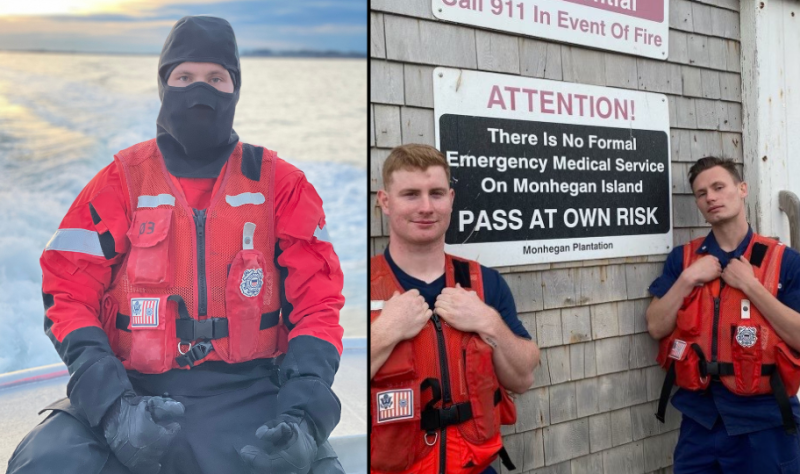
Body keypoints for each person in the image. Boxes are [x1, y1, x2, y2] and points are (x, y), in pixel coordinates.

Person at [7, 16, 345, 474]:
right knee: (45, 463)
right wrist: (112, 407)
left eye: (215, 78)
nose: (199, 91)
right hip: (132, 389)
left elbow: (318, 307)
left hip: (252, 391)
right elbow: (66, 293)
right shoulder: (121, 180)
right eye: (184, 77)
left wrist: (303, 419)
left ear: (235, 88)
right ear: (164, 85)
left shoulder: (282, 185)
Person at [369, 144, 540, 474]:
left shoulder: (484, 283)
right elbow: (332, 382)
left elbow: (523, 377)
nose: (426, 207)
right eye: (410, 194)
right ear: (385, 202)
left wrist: (487, 321)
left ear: (451, 199)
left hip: (474, 465)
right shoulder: (360, 286)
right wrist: (385, 332)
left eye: (436, 193)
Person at [647, 156, 800, 473]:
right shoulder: (684, 259)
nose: (711, 198)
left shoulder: (785, 261)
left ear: (742, 189)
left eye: (719, 187)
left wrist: (752, 287)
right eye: (702, 193)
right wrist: (688, 278)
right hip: (700, 420)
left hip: (764, 420)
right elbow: (656, 326)